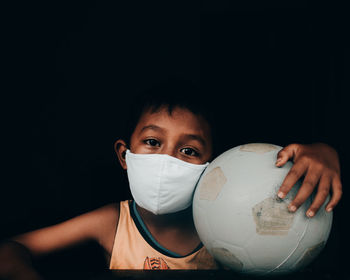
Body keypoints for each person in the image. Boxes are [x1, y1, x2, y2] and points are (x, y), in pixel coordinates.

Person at [0, 80, 343, 279]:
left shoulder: (231, 225)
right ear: (124, 155)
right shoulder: (111, 224)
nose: (166, 160)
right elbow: (9, 250)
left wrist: (327, 152)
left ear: (214, 165)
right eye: (152, 142)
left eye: (189, 151)